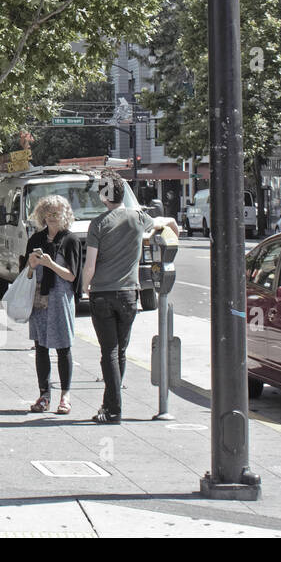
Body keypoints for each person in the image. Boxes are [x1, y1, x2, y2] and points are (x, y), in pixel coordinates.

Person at [82, 172, 180, 423]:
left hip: (102, 293)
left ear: (104, 196)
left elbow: (90, 264)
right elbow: (166, 222)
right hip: (129, 293)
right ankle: (111, 403)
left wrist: (84, 287)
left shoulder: (98, 224)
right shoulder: (138, 218)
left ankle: (113, 408)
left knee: (109, 352)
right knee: (120, 351)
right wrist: (174, 232)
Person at [24, 195, 82, 415]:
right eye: (48, 214)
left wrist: (50, 264)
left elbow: (72, 276)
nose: (52, 218)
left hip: (60, 299)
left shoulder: (70, 240)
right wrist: (31, 264)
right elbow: (26, 274)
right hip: (40, 297)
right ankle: (44, 395)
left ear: (65, 215)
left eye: (56, 214)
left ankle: (65, 396)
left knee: (63, 346)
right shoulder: (36, 239)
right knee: (41, 346)